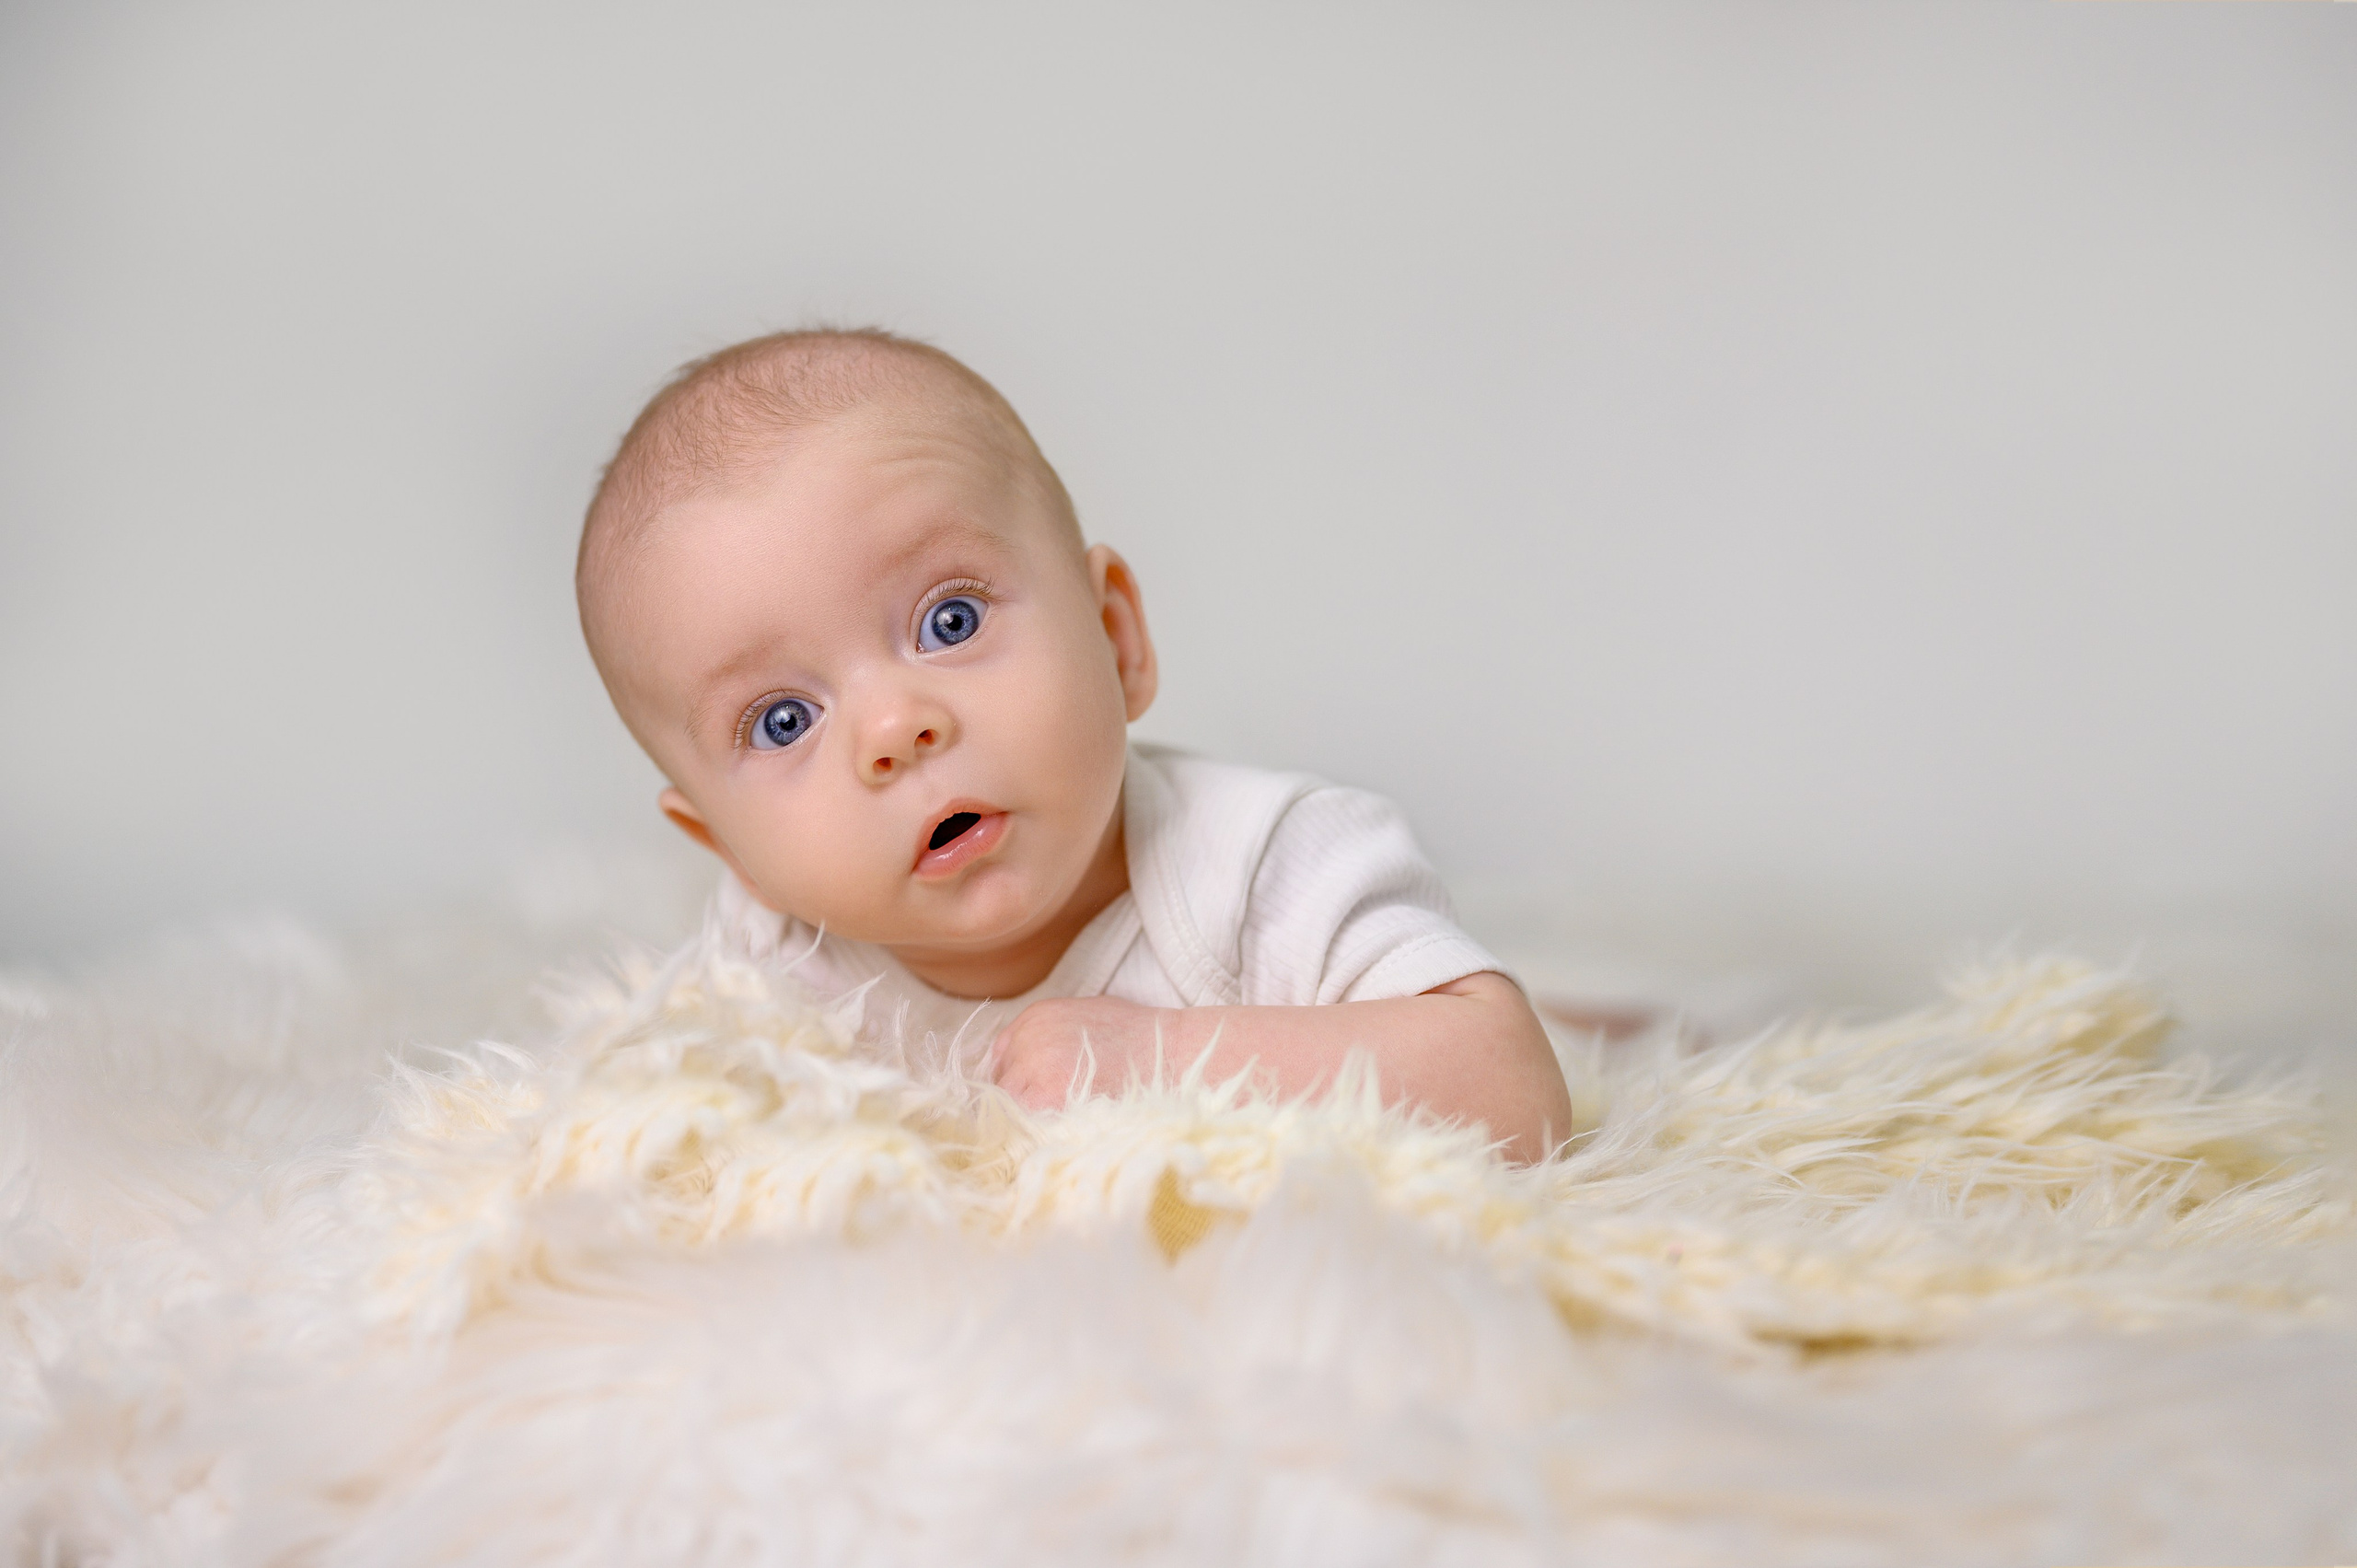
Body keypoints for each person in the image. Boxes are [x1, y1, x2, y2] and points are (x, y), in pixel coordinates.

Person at [575, 329, 1573, 1160]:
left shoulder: (1264, 863)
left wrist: (1165, 1061)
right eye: (783, 720)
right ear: (730, 850)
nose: (894, 729)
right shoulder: (772, 965)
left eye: (950, 621)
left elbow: (1514, 1086)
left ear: (1115, 637)